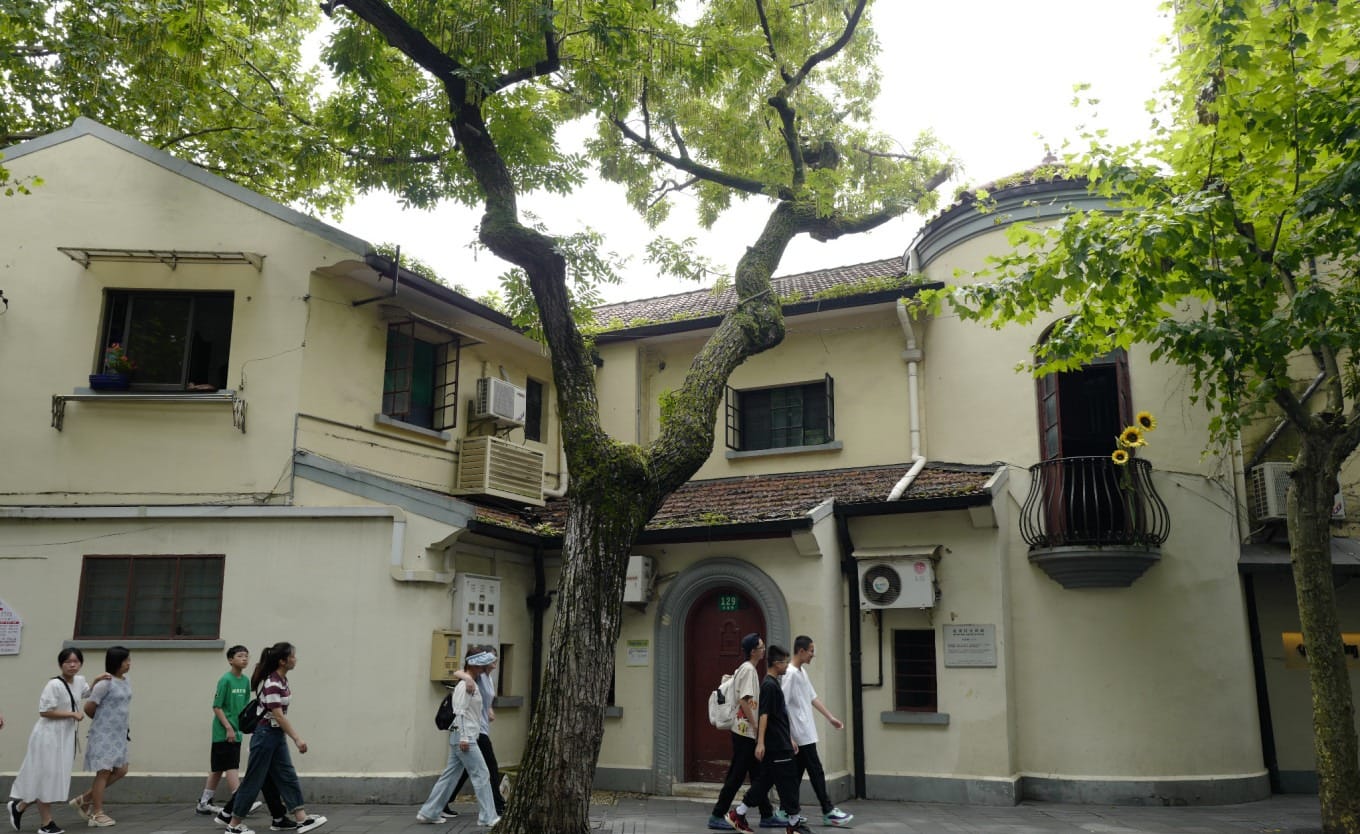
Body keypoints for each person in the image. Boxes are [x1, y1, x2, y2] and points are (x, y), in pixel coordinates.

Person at [222, 643, 326, 834]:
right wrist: (297, 739)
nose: (295, 659)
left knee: (287, 775)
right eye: (292, 656)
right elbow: (278, 715)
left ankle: (301, 818)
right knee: (254, 780)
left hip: (275, 735)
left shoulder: (282, 680)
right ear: (282, 661)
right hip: (265, 735)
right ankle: (234, 825)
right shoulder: (272, 683)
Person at [7, 648, 110, 834]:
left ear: (81, 664)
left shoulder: (79, 681)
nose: (72, 665)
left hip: (65, 736)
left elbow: (86, 693)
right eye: (68, 662)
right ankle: (46, 824)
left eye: (76, 661)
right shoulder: (53, 684)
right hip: (48, 735)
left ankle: (20, 806)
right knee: (47, 776)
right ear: (61, 664)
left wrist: (96, 680)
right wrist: (72, 714)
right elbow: (44, 711)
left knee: (53, 776)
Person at [725, 645, 805, 834]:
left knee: (765, 782)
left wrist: (790, 738)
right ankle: (794, 823)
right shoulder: (769, 686)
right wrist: (760, 742)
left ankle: (738, 814)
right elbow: (764, 715)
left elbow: (778, 716)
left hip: (781, 742)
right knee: (789, 781)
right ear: (777, 664)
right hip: (777, 745)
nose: (787, 666)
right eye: (785, 662)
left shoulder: (773, 683)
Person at [416, 649, 501, 826]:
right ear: (475, 666)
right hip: (465, 737)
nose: (484, 667)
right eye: (482, 665)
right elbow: (460, 712)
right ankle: (488, 817)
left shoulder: (471, 683)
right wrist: (464, 737)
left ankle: (429, 812)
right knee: (482, 774)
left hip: (463, 736)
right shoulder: (466, 686)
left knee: (450, 776)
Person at [202, 647, 282, 829]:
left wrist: (249, 728)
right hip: (224, 731)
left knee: (218, 767)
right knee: (231, 764)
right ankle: (239, 798)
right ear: (230, 660)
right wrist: (228, 727)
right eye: (240, 656)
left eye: (246, 656)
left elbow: (246, 708)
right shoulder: (225, 680)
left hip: (237, 730)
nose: (244, 659)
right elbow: (217, 706)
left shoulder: (245, 681)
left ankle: (205, 801)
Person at [708, 633, 778, 831]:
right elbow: (744, 700)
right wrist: (755, 726)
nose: (764, 650)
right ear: (753, 651)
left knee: (757, 774)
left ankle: (767, 814)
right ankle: (717, 815)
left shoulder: (746, 668)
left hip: (743, 731)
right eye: (761, 647)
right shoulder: (748, 670)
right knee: (737, 775)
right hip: (744, 731)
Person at [782, 636, 852, 828]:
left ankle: (785, 810)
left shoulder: (801, 672)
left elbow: (813, 697)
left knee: (796, 774)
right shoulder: (790, 674)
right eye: (811, 650)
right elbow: (782, 705)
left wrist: (830, 718)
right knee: (816, 772)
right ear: (801, 651)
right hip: (800, 734)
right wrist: (789, 736)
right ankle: (828, 811)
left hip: (806, 731)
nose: (813, 654)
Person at [70, 647, 133, 828]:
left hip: (119, 733)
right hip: (104, 734)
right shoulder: (105, 683)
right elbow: (89, 708)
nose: (129, 663)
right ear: (116, 662)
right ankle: (97, 813)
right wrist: (104, 722)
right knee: (103, 772)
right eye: (126, 660)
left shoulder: (126, 680)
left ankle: (85, 799)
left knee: (121, 770)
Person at [442, 645, 505, 818]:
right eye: (491, 657)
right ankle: (498, 806)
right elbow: (457, 673)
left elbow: (484, 699)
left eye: (495, 657)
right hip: (474, 731)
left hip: (479, 728)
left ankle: (442, 803)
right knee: (490, 768)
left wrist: (489, 708)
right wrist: (468, 679)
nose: (494, 660)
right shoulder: (479, 675)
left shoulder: (488, 678)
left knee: (462, 770)